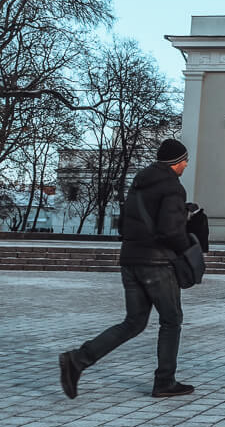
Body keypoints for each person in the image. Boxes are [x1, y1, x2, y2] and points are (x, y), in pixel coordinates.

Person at [59, 139, 196, 399]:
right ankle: (164, 381)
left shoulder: (139, 184)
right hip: (156, 264)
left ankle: (77, 360)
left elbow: (125, 224)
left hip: (130, 261)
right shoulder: (173, 188)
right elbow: (170, 231)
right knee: (171, 320)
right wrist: (187, 244)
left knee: (133, 322)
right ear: (176, 162)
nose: (186, 165)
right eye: (184, 160)